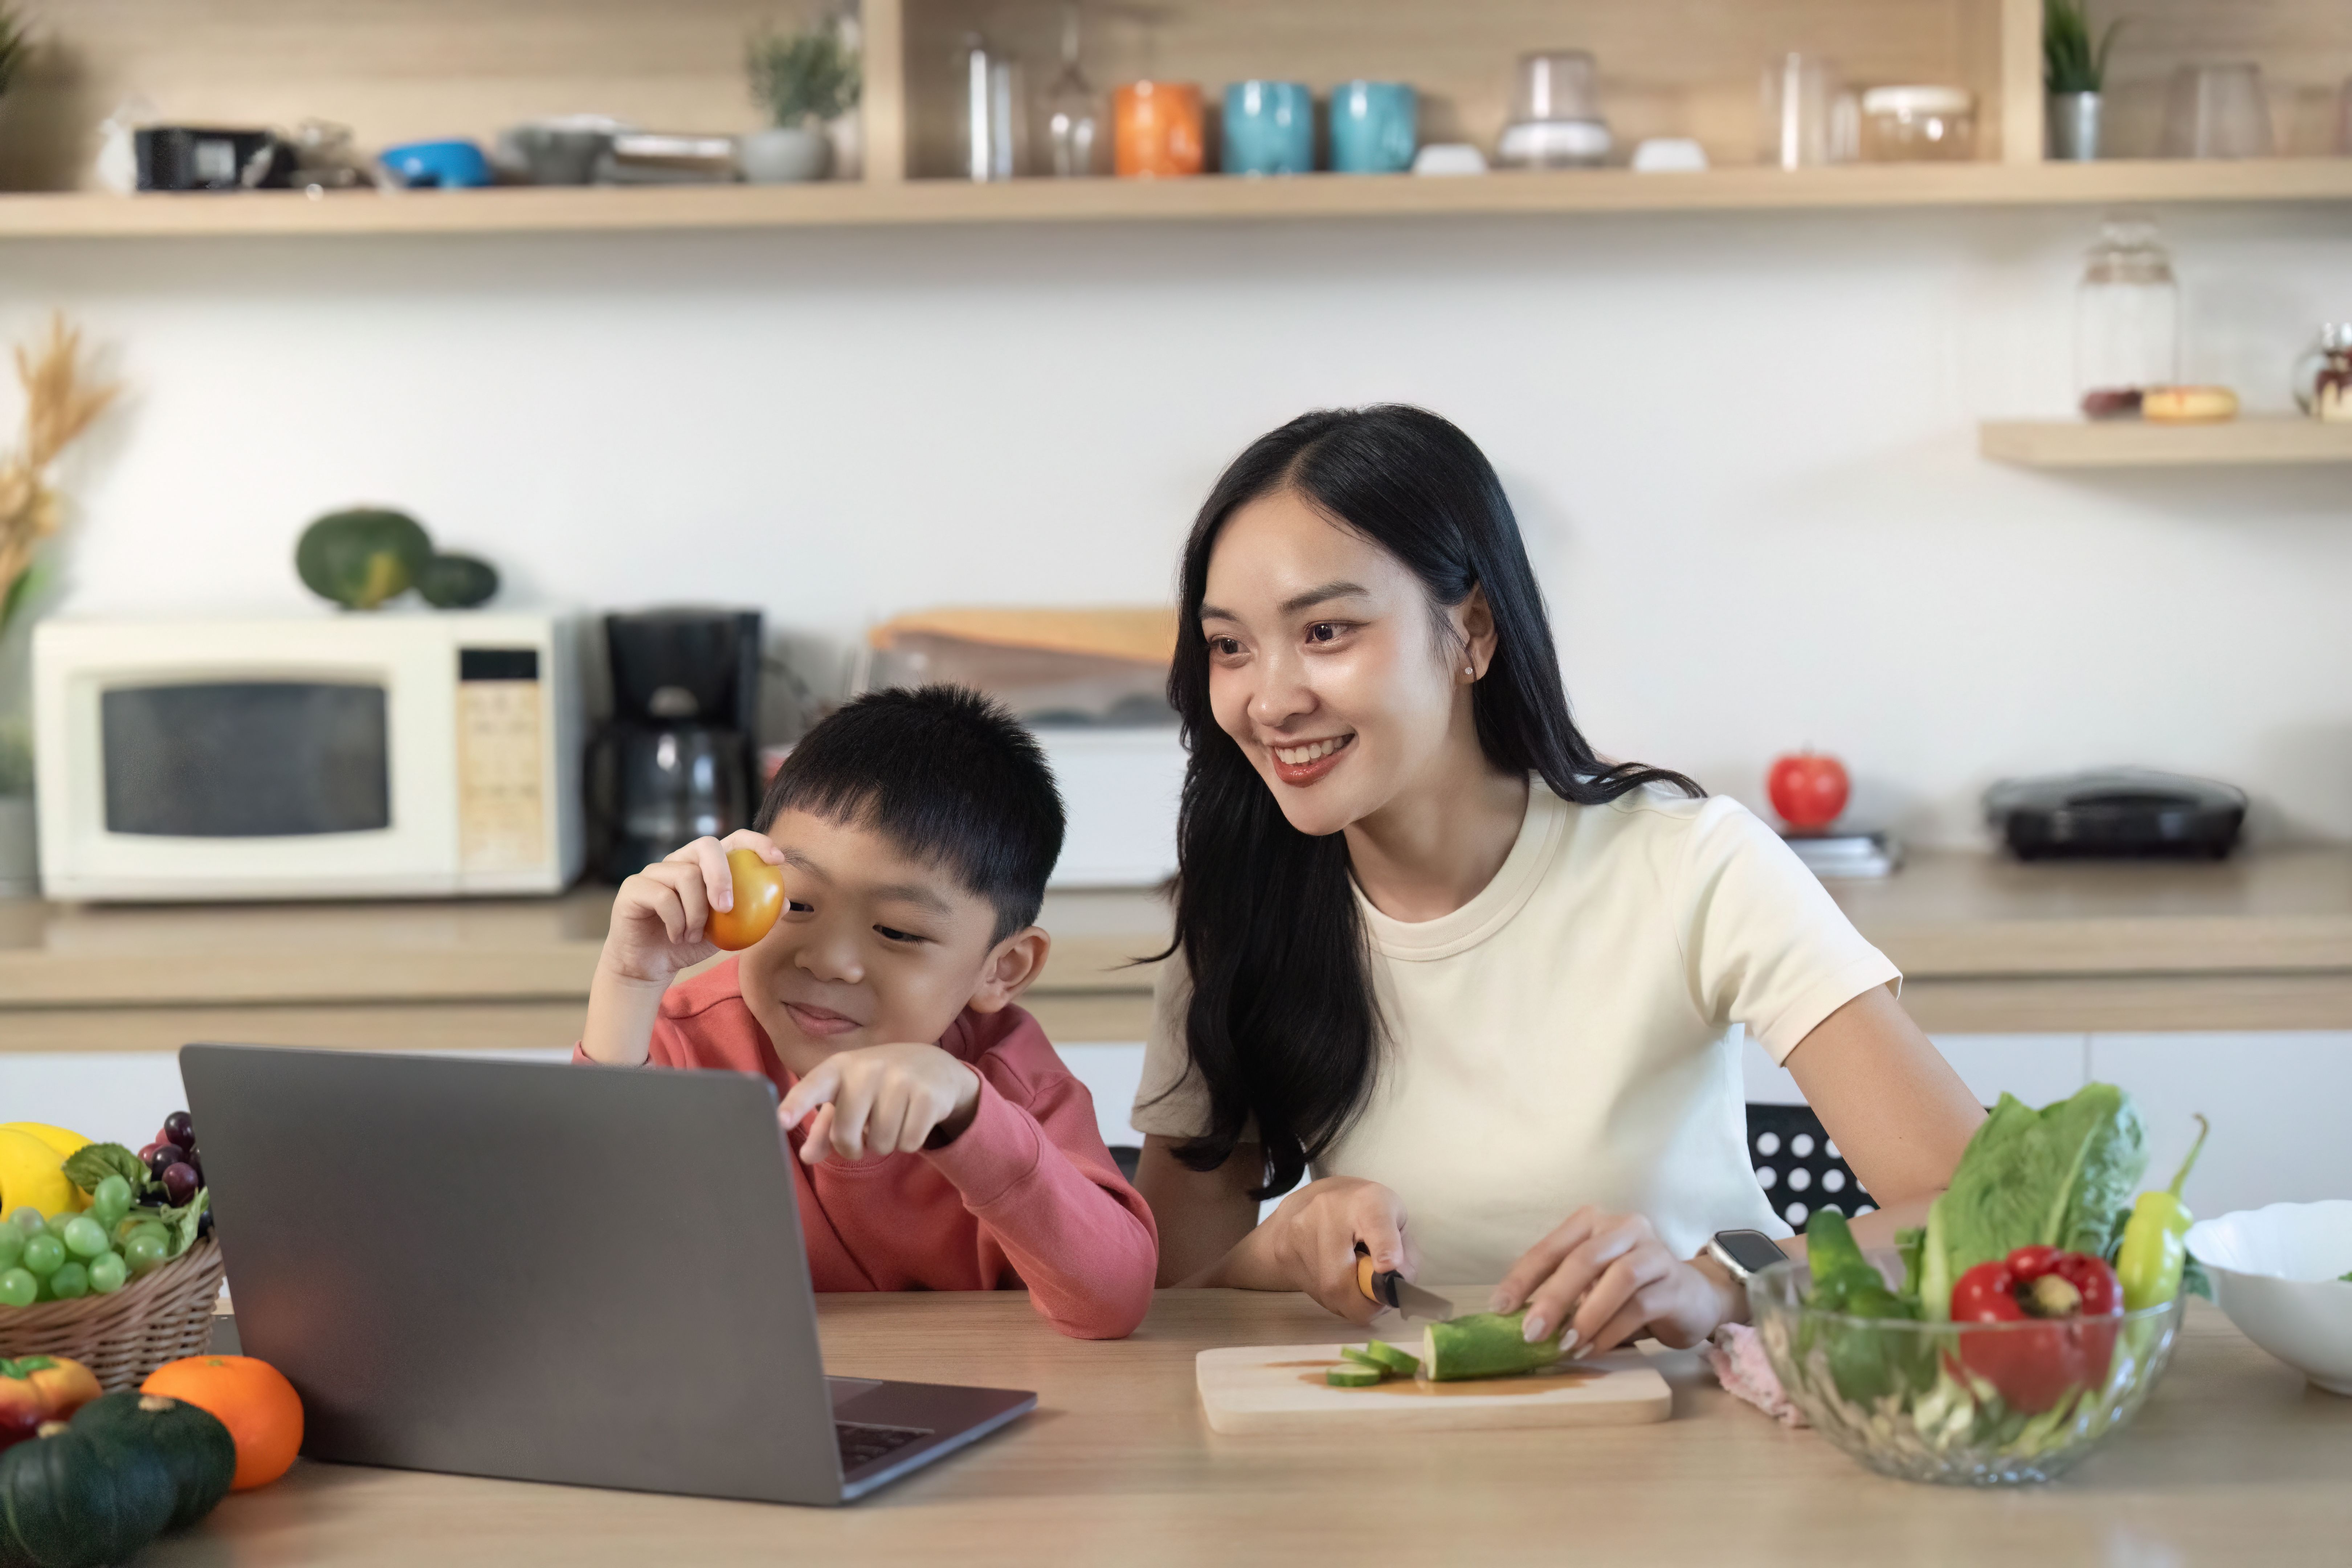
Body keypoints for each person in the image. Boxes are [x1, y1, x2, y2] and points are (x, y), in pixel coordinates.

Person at [1132, 405, 1985, 1360]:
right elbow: (1162, 1305)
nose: (1271, 699)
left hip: (1693, 1447)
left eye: (1326, 631)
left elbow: (1986, 1211)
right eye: (1229, 647)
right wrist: (1281, 1247)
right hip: (1395, 1472)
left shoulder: (1692, 865)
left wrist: (1722, 1278)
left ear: (1473, 634)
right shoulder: (1240, 915)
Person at [580, 684, 1157, 1340]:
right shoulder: (685, 1038)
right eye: (796, 905)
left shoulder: (1010, 1087)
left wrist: (970, 1117)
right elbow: (582, 1256)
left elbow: (1113, 1301)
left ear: (1004, 968)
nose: (830, 962)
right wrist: (628, 982)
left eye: (900, 933)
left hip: (967, 1410)